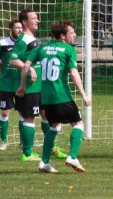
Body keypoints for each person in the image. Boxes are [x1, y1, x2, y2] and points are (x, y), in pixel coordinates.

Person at [17, 21, 91, 173]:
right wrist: (84, 95)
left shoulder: (41, 48)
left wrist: (23, 86)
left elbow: (25, 66)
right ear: (63, 36)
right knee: (78, 124)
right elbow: (74, 73)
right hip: (62, 95)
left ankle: (44, 162)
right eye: (72, 33)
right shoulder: (69, 50)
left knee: (54, 126)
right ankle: (72, 156)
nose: (75, 35)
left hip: (46, 98)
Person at [9, 9, 67, 161]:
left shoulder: (33, 38)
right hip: (30, 86)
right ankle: (27, 153)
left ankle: (51, 147)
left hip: (42, 86)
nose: (37, 20)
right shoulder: (22, 40)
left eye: (37, 18)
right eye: (34, 18)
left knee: (48, 115)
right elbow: (13, 60)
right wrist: (29, 69)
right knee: (29, 117)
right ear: (25, 22)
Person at [0, 19, 23, 151]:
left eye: (21, 27)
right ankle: (4, 141)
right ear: (10, 29)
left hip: (20, 83)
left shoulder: (25, 42)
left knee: (23, 112)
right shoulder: (3, 43)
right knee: (5, 112)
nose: (20, 30)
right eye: (17, 28)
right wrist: (2, 72)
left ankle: (23, 141)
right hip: (6, 84)